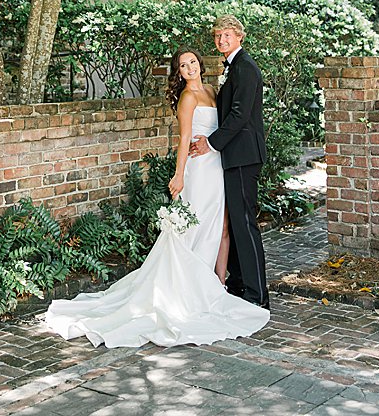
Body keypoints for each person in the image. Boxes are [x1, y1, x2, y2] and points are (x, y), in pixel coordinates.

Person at [44, 48, 269, 348]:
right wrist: (179, 175)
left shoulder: (213, 91)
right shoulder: (187, 98)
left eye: (192, 62)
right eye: (183, 65)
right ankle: (188, 288)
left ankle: (218, 284)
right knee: (194, 226)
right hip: (198, 170)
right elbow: (184, 139)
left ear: (200, 64)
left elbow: (228, 123)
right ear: (178, 72)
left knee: (221, 226)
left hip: (217, 164)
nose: (189, 68)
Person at [189, 14, 270, 308]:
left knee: (245, 223)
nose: (221, 40)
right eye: (218, 35)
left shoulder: (245, 68)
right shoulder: (233, 67)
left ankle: (257, 295)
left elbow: (239, 115)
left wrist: (210, 143)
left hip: (244, 156)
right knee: (235, 221)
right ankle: (238, 283)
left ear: (239, 36)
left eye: (227, 35)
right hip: (234, 155)